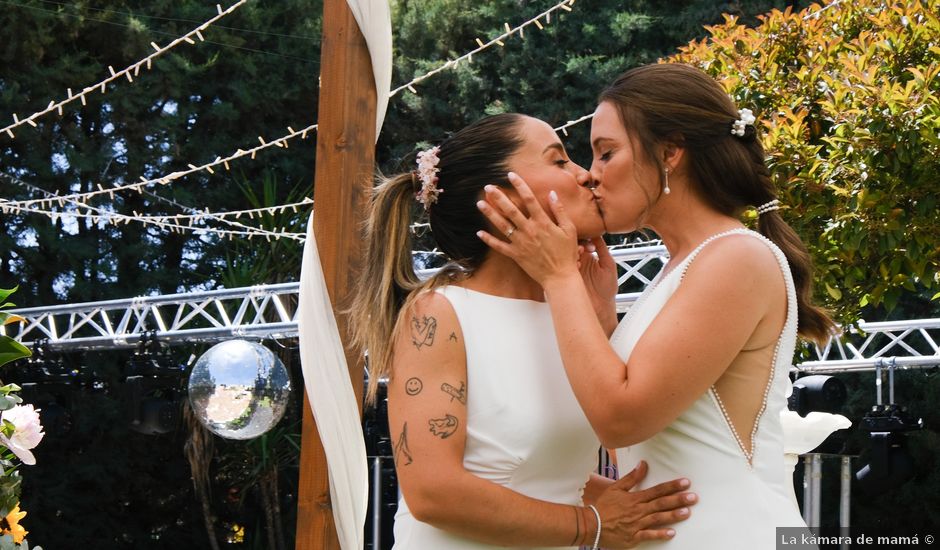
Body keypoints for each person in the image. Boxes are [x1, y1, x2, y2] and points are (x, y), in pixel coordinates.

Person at [476, 64, 836, 548]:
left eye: (606, 153)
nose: (592, 176)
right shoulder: (683, 267)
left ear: (670, 153)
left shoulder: (736, 257)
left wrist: (559, 277)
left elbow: (622, 420)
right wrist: (602, 318)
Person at [350, 112, 698, 549]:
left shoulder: (573, 310)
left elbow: (538, 464)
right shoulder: (438, 314)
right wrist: (591, 524)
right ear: (499, 198)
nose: (586, 175)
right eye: (559, 161)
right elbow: (433, 492)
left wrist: (604, 317)